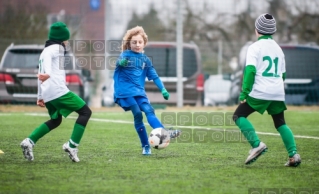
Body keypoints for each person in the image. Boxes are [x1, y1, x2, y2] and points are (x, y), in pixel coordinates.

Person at [233, 13, 301, 167]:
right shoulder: (279, 49)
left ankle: (256, 145)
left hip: (261, 91)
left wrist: (244, 92)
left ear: (257, 29)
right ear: (273, 31)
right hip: (277, 92)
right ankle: (293, 155)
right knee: (280, 122)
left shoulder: (254, 47)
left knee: (238, 116)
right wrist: (275, 88)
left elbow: (250, 71)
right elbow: (283, 74)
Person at [20, 22, 92, 162]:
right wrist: (47, 73)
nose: (67, 42)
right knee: (85, 112)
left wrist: (40, 96)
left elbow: (39, 74)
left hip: (48, 93)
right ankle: (72, 145)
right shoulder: (57, 48)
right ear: (62, 39)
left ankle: (30, 141)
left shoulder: (45, 51)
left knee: (55, 120)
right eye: (67, 40)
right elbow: (44, 71)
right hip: (58, 91)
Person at [113, 26, 180, 155]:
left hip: (139, 92)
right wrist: (121, 63)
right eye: (134, 42)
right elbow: (118, 63)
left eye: (140, 42)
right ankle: (146, 146)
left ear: (144, 43)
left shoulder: (145, 60)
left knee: (149, 110)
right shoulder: (125, 54)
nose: (137, 45)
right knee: (137, 113)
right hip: (124, 92)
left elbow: (154, 76)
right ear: (129, 44)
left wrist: (163, 90)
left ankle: (164, 133)